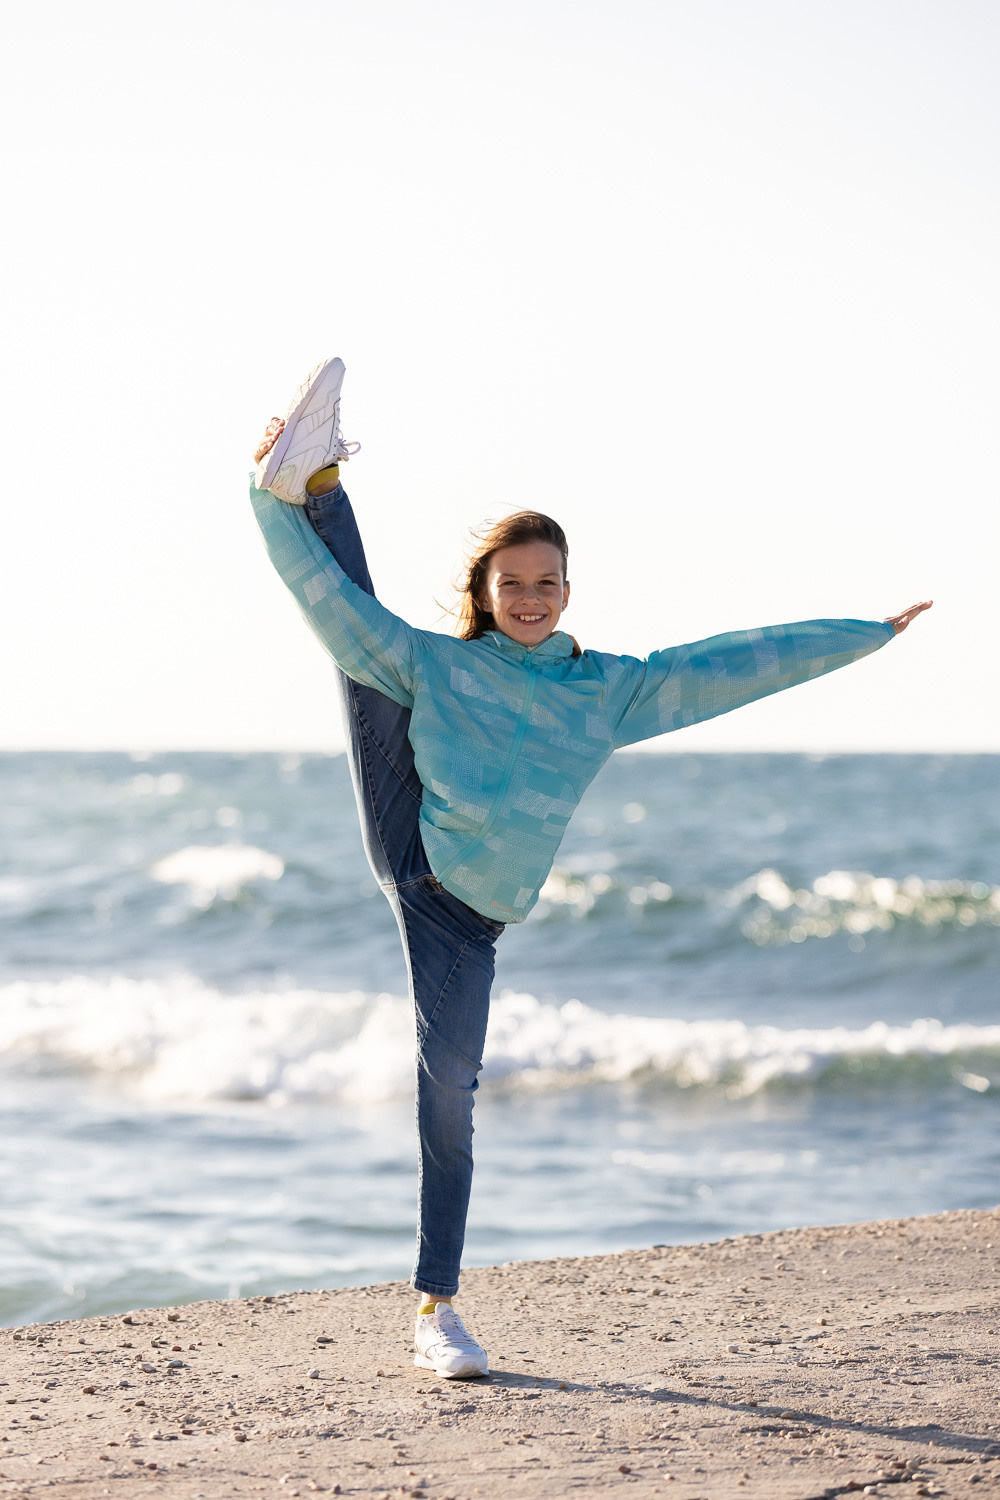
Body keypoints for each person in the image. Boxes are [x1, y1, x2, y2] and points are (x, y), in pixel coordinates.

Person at [249, 357, 931, 1380]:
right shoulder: (443, 661)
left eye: (544, 583)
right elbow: (335, 612)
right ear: (483, 591)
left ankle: (318, 483)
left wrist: (861, 636)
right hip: (417, 854)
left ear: (567, 592)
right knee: (447, 1086)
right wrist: (267, 516)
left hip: (479, 916)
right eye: (510, 582)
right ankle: (436, 1309)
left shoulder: (606, 692)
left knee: (369, 661)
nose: (528, 596)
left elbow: (728, 663)